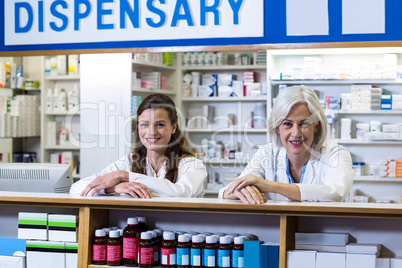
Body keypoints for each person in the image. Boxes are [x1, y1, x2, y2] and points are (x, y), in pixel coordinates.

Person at [219, 86, 354, 204]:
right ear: (277, 127)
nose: (296, 133)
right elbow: (228, 190)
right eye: (287, 124)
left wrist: (270, 186)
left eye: (304, 123)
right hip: (277, 229)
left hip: (325, 230)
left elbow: (335, 193)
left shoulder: (336, 153)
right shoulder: (266, 154)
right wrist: (238, 191)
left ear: (316, 126)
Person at [70, 93, 207, 198]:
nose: (151, 132)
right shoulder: (129, 162)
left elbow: (182, 192)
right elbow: (77, 188)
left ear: (173, 127)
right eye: (144, 124)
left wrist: (125, 177)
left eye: (160, 125)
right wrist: (114, 188)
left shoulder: (192, 165)